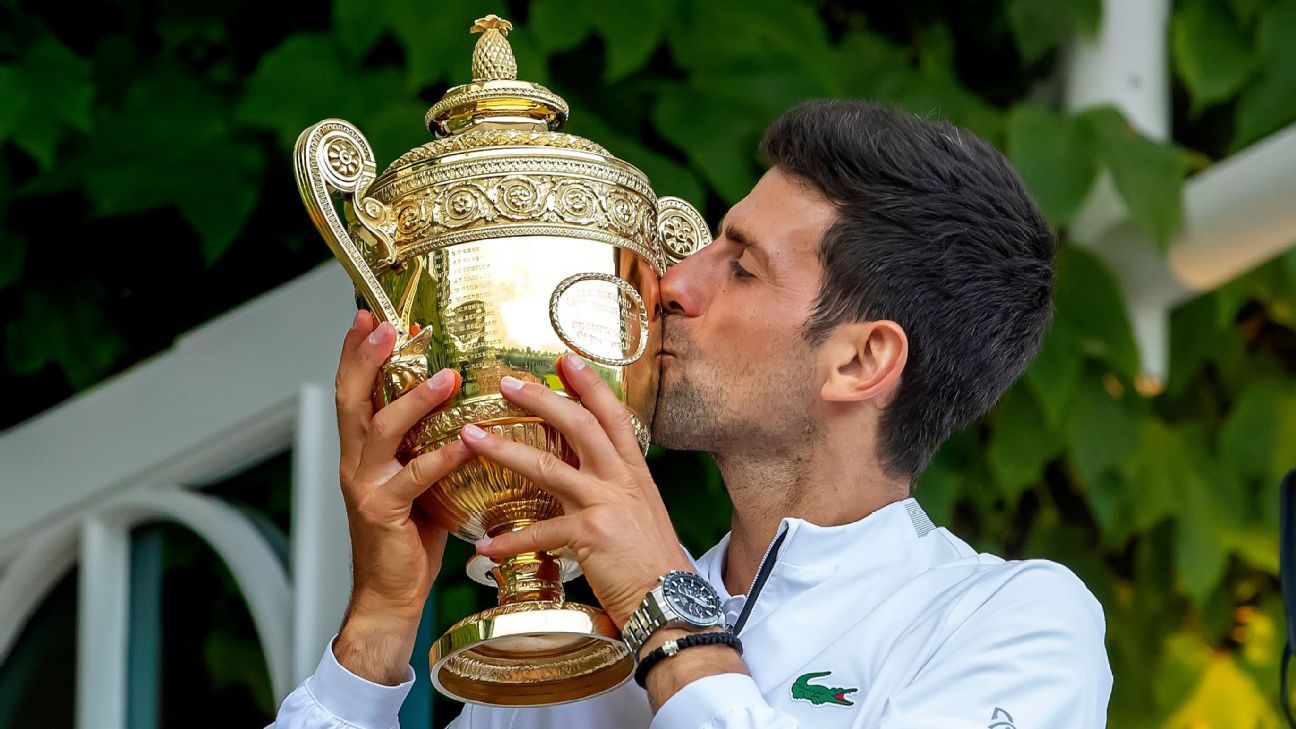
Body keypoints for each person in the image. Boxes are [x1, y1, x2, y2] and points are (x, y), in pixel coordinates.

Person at [271, 100, 1112, 729]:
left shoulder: (1012, 622)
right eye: (712, 242)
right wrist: (378, 632)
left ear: (860, 360)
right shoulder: (574, 647)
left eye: (740, 266)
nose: (672, 282)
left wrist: (663, 608)